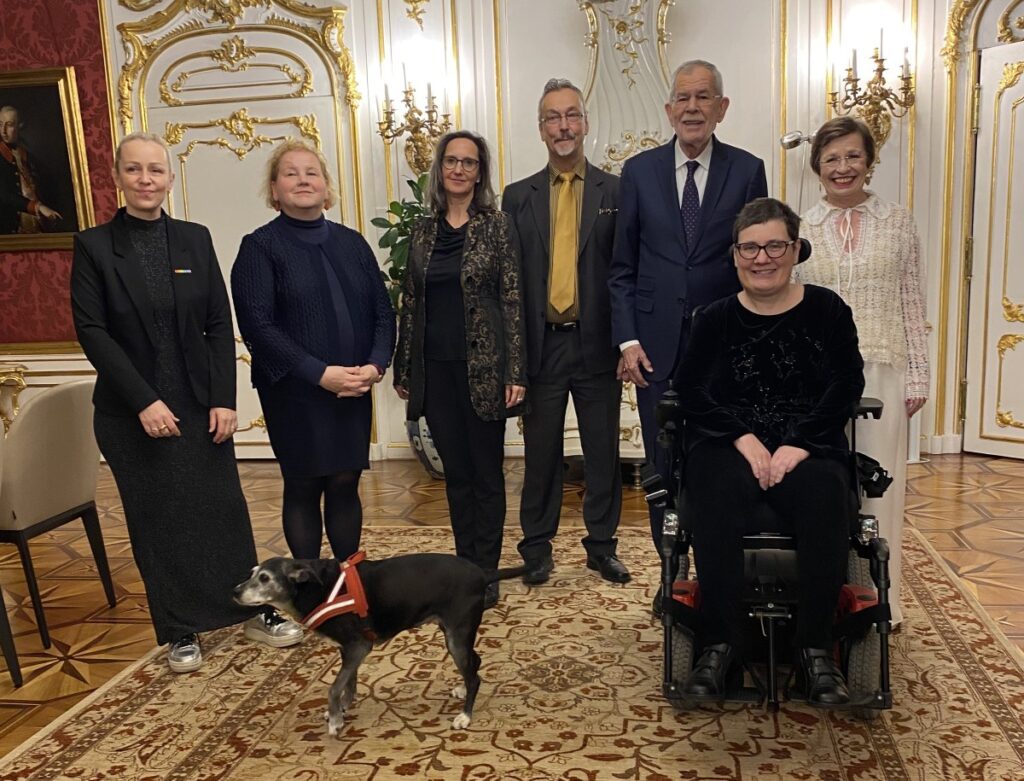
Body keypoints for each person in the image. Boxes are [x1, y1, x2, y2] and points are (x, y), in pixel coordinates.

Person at [70, 132, 302, 674]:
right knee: (159, 519)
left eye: (156, 170)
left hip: (200, 405)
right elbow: (93, 332)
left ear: (170, 178)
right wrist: (144, 401)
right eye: (135, 170)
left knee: (222, 511)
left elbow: (219, 324)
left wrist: (224, 398)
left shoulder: (195, 239)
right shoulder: (95, 246)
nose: (146, 180)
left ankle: (252, 609)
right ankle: (180, 629)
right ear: (118, 177)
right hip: (132, 413)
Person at [675, 197, 864, 707]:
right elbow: (691, 389)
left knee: (826, 491)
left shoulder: (827, 310)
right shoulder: (713, 318)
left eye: (774, 245)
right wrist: (744, 438)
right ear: (735, 255)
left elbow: (847, 384)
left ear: (796, 249)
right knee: (712, 487)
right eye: (750, 247)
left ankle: (815, 650)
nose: (762, 258)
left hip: (809, 444)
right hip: (730, 442)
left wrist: (798, 444)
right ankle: (722, 643)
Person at [608, 60, 768, 556]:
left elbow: (759, 262)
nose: (692, 107)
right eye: (683, 98)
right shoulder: (638, 172)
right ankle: (670, 573)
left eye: (703, 97)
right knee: (662, 464)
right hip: (654, 350)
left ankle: (720, 567)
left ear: (722, 108)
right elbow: (622, 267)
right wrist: (628, 341)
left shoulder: (747, 170)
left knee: (722, 458)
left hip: (724, 346)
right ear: (669, 108)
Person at [231, 139, 396, 567]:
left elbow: (383, 311)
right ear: (274, 190)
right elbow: (258, 326)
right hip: (295, 391)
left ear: (326, 187)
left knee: (346, 482)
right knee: (304, 485)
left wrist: (375, 366)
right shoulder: (259, 247)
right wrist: (320, 374)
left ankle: (349, 583)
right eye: (291, 173)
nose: (303, 179)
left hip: (356, 388)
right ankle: (308, 584)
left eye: (312, 172)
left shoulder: (353, 243)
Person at [793, 116, 929, 626]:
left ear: (869, 162)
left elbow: (911, 301)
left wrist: (918, 373)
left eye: (852, 156)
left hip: (883, 367)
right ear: (818, 167)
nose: (842, 167)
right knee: (825, 485)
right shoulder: (801, 227)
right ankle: (826, 592)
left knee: (877, 489)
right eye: (831, 159)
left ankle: (876, 602)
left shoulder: (899, 222)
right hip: (819, 376)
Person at [501, 78, 629, 586]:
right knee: (541, 458)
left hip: (596, 344)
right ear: (540, 129)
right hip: (542, 347)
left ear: (585, 123)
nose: (563, 126)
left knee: (602, 454)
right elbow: (509, 284)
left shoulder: (617, 191)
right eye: (553, 117)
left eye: (571, 115)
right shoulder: (517, 196)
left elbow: (626, 272)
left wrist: (627, 341)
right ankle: (536, 548)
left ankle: (601, 547)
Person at [393, 130, 526, 609]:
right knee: (457, 476)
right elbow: (411, 302)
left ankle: (485, 573)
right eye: (451, 161)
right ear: (440, 168)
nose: (458, 170)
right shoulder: (423, 230)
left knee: (486, 474)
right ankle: (464, 565)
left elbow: (512, 299)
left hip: (486, 369)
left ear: (479, 172)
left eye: (469, 163)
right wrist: (403, 367)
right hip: (436, 369)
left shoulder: (497, 225)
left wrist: (517, 371)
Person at [0, 105, 61, 234]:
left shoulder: (28, 157)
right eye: (0, 124)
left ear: (20, 126)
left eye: (9, 125)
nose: (3, 131)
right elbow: (5, 196)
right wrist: (38, 207)